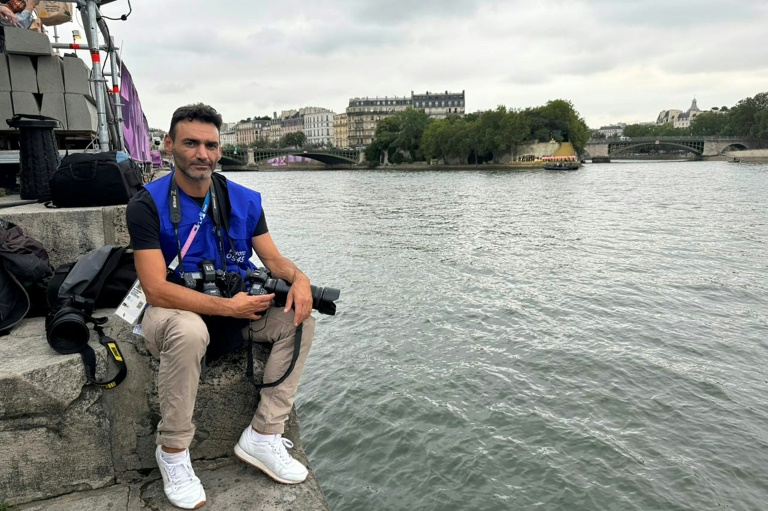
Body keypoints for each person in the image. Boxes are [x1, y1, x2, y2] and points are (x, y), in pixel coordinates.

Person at [126, 103, 316, 510]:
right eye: (191, 143)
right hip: (178, 310)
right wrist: (227, 308)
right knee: (190, 330)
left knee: (300, 321)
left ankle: (264, 435)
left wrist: (300, 281)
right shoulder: (147, 204)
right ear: (169, 145)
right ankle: (173, 451)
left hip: (236, 305)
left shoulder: (244, 200)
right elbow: (156, 288)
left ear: (219, 148)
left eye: (211, 144)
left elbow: (274, 260)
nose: (203, 154)